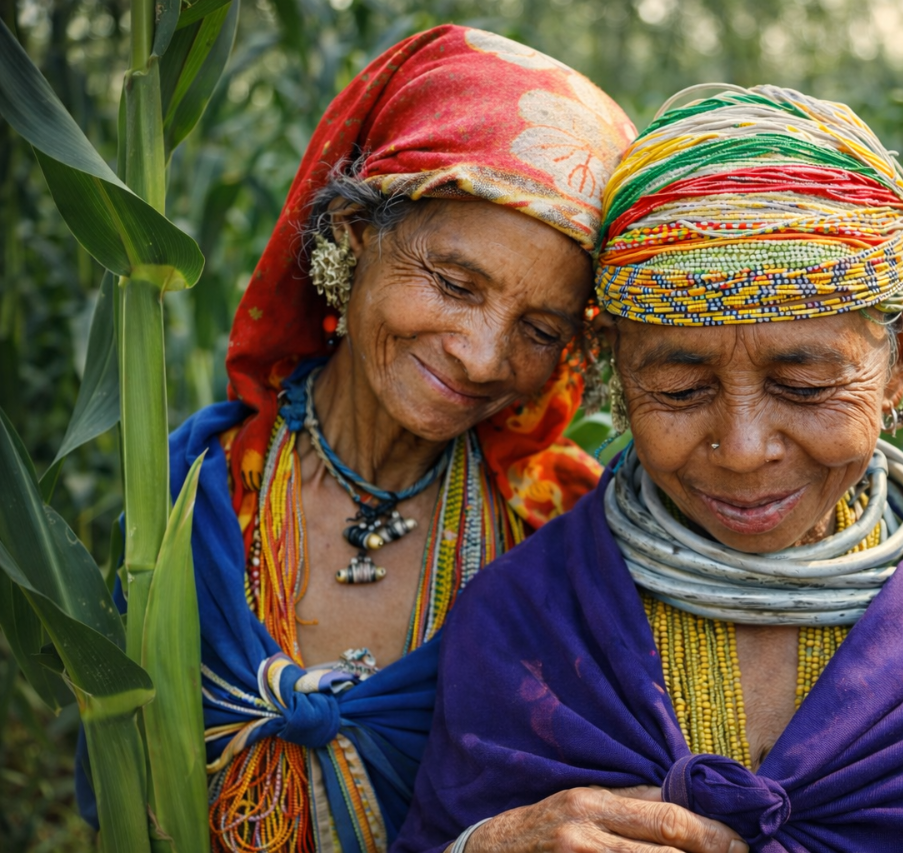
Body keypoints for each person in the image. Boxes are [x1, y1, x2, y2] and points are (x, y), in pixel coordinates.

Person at [393, 85, 903, 853]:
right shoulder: (524, 621)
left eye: (804, 387)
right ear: (612, 366)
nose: (743, 449)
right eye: (680, 389)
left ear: (899, 362)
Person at [79, 25, 635, 853]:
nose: (482, 357)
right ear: (352, 230)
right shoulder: (193, 497)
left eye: (540, 328)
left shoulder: (561, 536)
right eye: (454, 283)